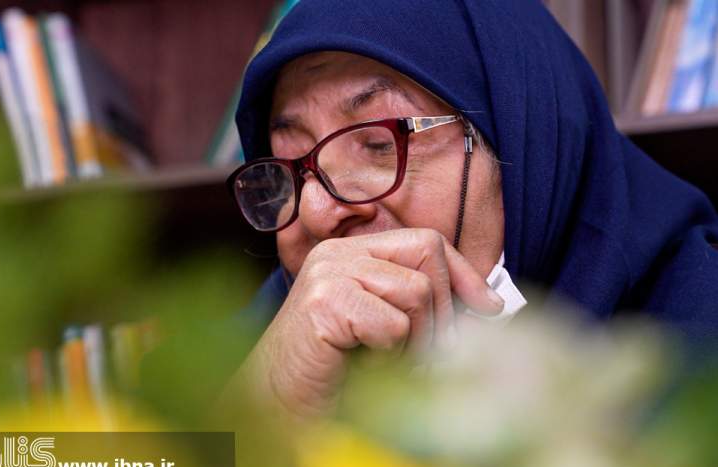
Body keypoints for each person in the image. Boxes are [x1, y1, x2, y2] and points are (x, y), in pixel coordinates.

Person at [226, 0, 718, 417]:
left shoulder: (697, 344)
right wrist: (261, 409)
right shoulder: (276, 330)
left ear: (530, 146)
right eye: (288, 168)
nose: (314, 211)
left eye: (377, 144)